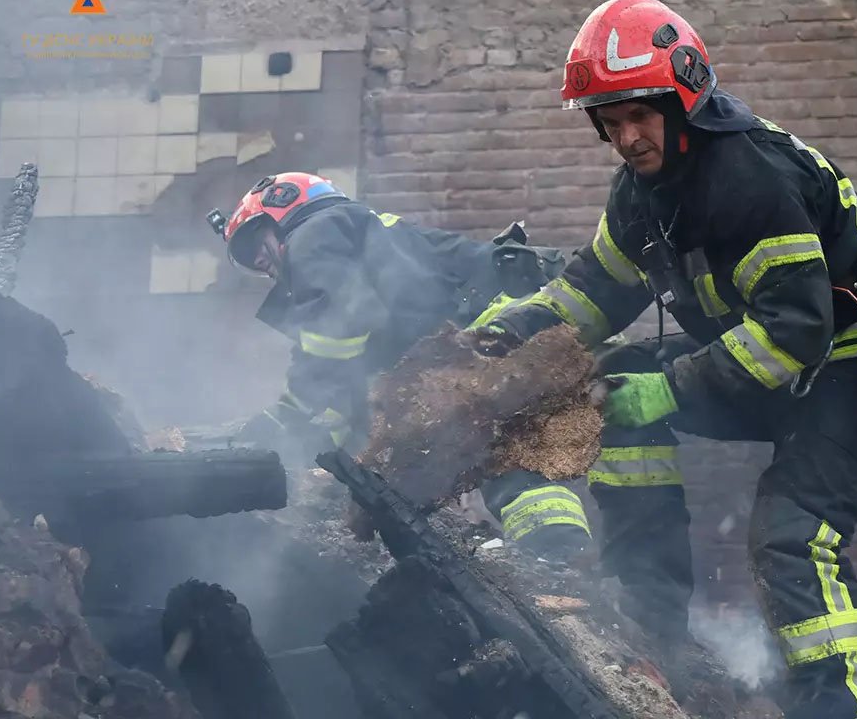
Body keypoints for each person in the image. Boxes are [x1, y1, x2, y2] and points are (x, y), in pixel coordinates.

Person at [467, 0, 857, 719]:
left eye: (640, 115)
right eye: (609, 121)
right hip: (769, 365)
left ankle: (840, 709)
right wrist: (510, 332)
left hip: (851, 364)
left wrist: (672, 389)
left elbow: (796, 329)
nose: (627, 138)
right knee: (613, 384)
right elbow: (593, 291)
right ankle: (651, 618)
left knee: (793, 539)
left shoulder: (748, 177)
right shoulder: (642, 194)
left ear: (685, 99)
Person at [206, 173, 592, 558]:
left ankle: (556, 554)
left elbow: (338, 327)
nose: (258, 261)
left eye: (254, 243)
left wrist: (289, 413)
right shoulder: (357, 238)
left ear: (285, 211)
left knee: (486, 442)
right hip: (505, 319)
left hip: (494, 324)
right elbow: (358, 394)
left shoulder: (315, 233)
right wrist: (320, 447)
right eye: (247, 259)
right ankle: (566, 557)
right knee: (490, 442)